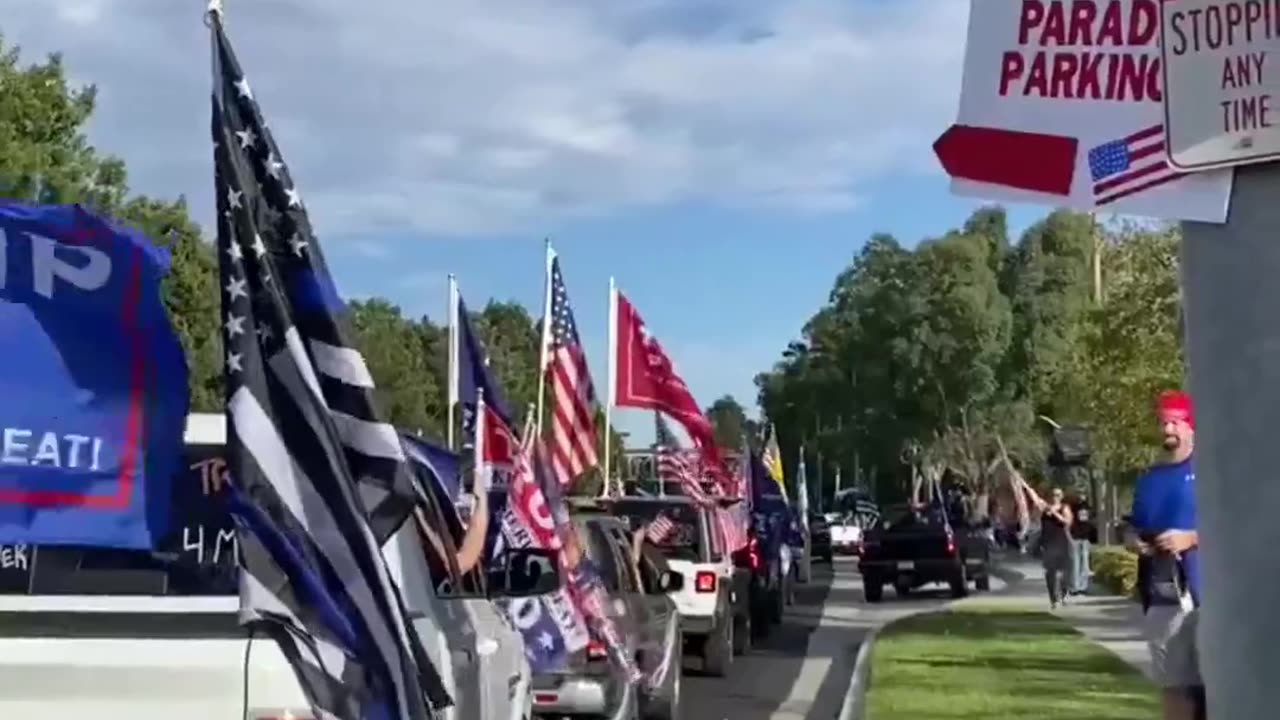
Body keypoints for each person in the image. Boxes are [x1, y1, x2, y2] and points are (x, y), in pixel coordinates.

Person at [1129, 390, 1202, 720]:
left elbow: (1240, 527)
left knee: (1220, 685)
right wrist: (1136, 541)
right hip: (1166, 597)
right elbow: (1136, 527)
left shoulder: (1212, 473)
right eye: (1163, 423)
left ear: (1191, 427)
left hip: (1213, 594)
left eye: (1174, 422)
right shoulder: (1150, 480)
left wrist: (1191, 538)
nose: (1167, 430)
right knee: (1175, 686)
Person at [1067, 493, 1097, 595]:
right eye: (1080, 494)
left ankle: (1082, 587)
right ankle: (1075, 587)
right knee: (1076, 563)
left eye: (1083, 494)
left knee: (1084, 563)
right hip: (1076, 537)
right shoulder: (1073, 507)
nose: (1081, 496)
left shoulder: (1087, 508)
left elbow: (1089, 522)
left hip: (1084, 538)